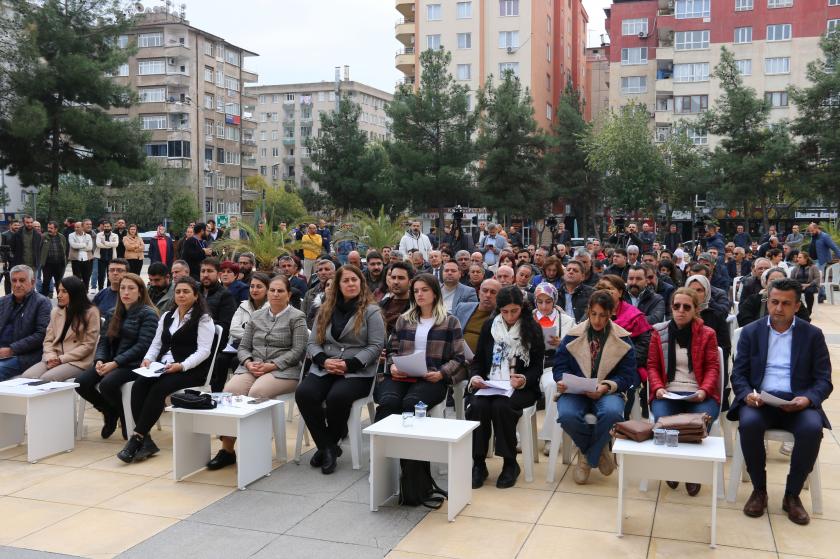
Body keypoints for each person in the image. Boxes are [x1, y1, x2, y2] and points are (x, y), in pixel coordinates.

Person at [727, 278, 833, 525]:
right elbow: (738, 374)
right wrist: (746, 395)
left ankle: (792, 495)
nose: (778, 308)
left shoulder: (812, 335)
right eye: (774, 302)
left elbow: (824, 380)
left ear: (797, 306)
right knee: (749, 425)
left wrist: (807, 399)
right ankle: (759, 490)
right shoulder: (752, 332)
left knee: (811, 429)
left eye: (786, 303)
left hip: (798, 401)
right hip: (761, 400)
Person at [207, 275, 307, 470]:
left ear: (288, 294)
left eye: (280, 291)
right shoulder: (257, 316)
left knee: (256, 393)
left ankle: (256, 446)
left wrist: (273, 365)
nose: (275, 294)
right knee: (231, 391)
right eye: (272, 290)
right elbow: (243, 346)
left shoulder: (297, 317)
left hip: (284, 370)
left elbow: (298, 351)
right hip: (253, 366)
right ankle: (227, 450)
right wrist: (248, 361)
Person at [295, 265, 385, 474]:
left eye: (355, 280)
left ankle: (327, 447)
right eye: (346, 281)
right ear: (338, 285)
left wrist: (349, 364)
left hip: (357, 370)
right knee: (305, 393)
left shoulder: (372, 311)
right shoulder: (326, 308)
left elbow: (376, 345)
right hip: (326, 366)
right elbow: (312, 342)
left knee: (337, 397)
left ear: (361, 283)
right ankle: (329, 447)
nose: (351, 284)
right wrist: (324, 361)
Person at [120, 277, 215, 463]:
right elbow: (156, 344)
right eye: (178, 291)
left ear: (196, 296)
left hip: (189, 369)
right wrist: (148, 359)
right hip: (163, 366)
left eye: (186, 291)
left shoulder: (203, 319)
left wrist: (182, 365)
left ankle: (137, 438)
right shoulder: (167, 316)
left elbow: (204, 351)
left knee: (158, 389)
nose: (181, 295)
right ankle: (145, 440)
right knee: (139, 385)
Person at [554, 290, 637, 484]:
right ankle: (599, 451)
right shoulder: (573, 336)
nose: (597, 320)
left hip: (607, 391)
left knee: (613, 413)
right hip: (576, 391)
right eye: (594, 314)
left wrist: (606, 387)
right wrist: (562, 380)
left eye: (603, 315)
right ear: (588, 311)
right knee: (566, 415)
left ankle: (587, 458)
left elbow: (627, 375)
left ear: (611, 314)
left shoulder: (623, 339)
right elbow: (559, 367)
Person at [468, 286, 544, 489]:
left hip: (521, 388)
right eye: (504, 311)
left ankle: (510, 463)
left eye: (514, 311)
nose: (509, 316)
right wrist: (475, 376)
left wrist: (523, 379)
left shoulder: (532, 328)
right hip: (492, 383)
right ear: (499, 310)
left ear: (522, 307)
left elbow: (537, 367)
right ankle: (478, 463)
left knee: (501, 407)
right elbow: (478, 361)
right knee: (478, 406)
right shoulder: (489, 327)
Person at [647, 287, 721, 495]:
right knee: (662, 420)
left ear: (696, 310)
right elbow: (652, 365)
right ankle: (672, 467)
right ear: (671, 307)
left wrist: (705, 391)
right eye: (676, 306)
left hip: (698, 393)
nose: (680, 310)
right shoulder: (658, 331)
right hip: (669, 391)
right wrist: (658, 387)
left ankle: (693, 473)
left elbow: (713, 367)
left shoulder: (707, 334)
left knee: (698, 423)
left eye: (686, 307)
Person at [75, 273, 159, 440]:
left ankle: (123, 415)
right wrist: (99, 360)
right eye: (122, 288)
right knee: (81, 382)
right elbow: (104, 342)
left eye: (131, 288)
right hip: (111, 362)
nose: (126, 292)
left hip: (135, 364)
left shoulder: (148, 313)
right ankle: (110, 411)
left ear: (140, 292)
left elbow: (142, 346)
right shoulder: (114, 312)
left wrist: (115, 363)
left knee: (108, 384)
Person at [375, 274, 465, 421]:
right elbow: (392, 351)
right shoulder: (404, 320)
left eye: (424, 290)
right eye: (416, 291)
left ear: (435, 293)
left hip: (432, 378)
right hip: (401, 375)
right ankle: (383, 443)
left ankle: (409, 443)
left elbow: (458, 357)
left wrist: (441, 374)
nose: (419, 294)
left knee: (412, 404)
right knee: (388, 402)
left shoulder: (450, 321)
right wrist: (392, 366)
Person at [22, 276, 100, 381]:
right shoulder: (56, 312)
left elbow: (88, 345)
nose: (59, 295)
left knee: (47, 379)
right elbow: (48, 340)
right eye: (58, 291)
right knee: (26, 377)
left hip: (78, 361)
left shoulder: (91, 312)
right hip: (53, 357)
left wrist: (61, 359)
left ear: (75, 293)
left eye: (64, 291)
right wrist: (50, 356)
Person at [211, 272, 271, 392]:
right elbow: (233, 329)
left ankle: (240, 394)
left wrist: (251, 335)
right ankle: (216, 395)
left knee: (236, 361)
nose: (254, 290)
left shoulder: (270, 308)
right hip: (237, 345)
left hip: (257, 348)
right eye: (252, 286)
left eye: (259, 287)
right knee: (221, 359)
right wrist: (252, 335)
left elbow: (267, 333)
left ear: (267, 289)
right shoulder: (243, 305)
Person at [0, 265, 53, 380]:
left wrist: (11, 350)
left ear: (32, 282)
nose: (17, 284)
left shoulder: (42, 303)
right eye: (14, 280)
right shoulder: (3, 301)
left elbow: (41, 335)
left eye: (22, 280)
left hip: (25, 356)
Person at [200, 258, 239, 391]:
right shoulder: (194, 292)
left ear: (218, 274)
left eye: (210, 271)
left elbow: (225, 327)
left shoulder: (225, 295)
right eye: (203, 271)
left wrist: (201, 324)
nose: (205, 274)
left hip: (213, 344)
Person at [738, 268, 811, 327]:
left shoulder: (793, 301)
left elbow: (805, 321)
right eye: (772, 280)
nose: (776, 283)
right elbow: (743, 318)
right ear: (765, 283)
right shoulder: (754, 299)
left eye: (780, 280)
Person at [378, 261, 414, 337]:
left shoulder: (415, 307)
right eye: (393, 277)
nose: (395, 282)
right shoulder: (382, 305)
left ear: (410, 282)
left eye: (401, 278)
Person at [39, 221, 67, 298]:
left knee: (59, 282)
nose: (49, 229)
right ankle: (44, 298)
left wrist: (65, 260)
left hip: (59, 264)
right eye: (48, 228)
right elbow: (39, 248)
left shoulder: (61, 237)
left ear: (56, 229)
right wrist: (41, 261)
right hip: (47, 264)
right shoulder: (43, 236)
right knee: (46, 281)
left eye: (51, 228)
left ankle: (60, 298)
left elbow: (65, 248)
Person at [68, 221, 94, 289]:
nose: (76, 228)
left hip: (87, 259)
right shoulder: (71, 235)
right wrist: (84, 245)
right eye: (75, 227)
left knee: (87, 277)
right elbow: (73, 245)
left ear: (82, 227)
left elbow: (90, 247)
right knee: (76, 278)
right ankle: (77, 293)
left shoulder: (88, 236)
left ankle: (85, 292)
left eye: (78, 227)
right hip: (76, 259)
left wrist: (79, 247)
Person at [95, 221, 119, 290]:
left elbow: (116, 244)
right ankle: (100, 290)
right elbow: (98, 244)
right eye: (105, 226)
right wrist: (110, 245)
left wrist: (105, 243)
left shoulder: (115, 235)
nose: (106, 228)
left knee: (110, 275)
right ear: (103, 227)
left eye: (108, 226)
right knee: (101, 276)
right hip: (101, 258)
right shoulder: (99, 235)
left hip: (111, 258)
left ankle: (109, 289)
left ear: (111, 227)